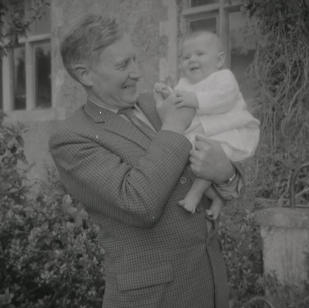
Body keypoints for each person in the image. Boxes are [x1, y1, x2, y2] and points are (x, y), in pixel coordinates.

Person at [49, 15, 244, 308]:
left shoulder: (157, 104)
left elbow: (227, 158)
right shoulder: (73, 137)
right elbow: (139, 204)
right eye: (122, 65)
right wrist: (174, 128)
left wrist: (227, 174)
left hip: (209, 284)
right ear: (85, 75)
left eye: (135, 60)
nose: (137, 73)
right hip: (154, 298)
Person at [155, 30, 259, 219]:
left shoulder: (224, 77)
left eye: (200, 54)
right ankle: (216, 198)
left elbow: (224, 99)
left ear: (218, 61)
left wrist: (194, 99)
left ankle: (194, 196)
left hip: (228, 130)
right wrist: (168, 94)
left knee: (207, 159)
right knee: (190, 165)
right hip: (202, 132)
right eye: (186, 57)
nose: (192, 60)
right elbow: (178, 103)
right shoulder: (185, 82)